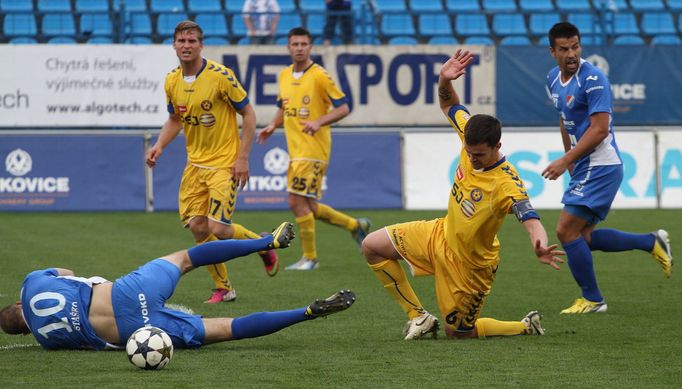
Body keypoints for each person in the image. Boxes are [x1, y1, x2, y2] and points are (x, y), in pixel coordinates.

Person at [361, 50, 565, 340]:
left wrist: (539, 244)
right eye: (469, 152)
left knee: (458, 334)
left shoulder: (507, 183)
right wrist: (444, 79)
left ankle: (525, 326)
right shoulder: (469, 130)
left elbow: (529, 217)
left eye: (479, 154)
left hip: (472, 266)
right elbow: (449, 103)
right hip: (440, 235)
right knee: (372, 246)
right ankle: (419, 317)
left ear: (497, 146)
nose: (472, 158)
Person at [0, 222, 357, 350]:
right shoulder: (32, 283)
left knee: (225, 329)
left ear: (24, 333)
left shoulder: (46, 342)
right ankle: (266, 242)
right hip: (127, 291)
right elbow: (67, 270)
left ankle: (307, 312)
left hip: (133, 331)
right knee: (189, 258)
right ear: (18, 306)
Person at [543, 22, 673, 314]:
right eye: (564, 49)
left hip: (601, 163)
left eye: (575, 46)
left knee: (566, 231)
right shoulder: (553, 79)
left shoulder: (593, 78)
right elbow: (565, 119)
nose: (571, 54)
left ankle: (593, 299)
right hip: (586, 164)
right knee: (582, 237)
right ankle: (650, 242)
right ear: (552, 52)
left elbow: (600, 129)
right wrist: (570, 158)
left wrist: (566, 161)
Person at [145, 20, 279, 304]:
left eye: (192, 41)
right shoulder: (171, 80)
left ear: (201, 45)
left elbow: (250, 114)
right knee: (198, 227)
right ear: (174, 45)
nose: (186, 46)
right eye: (181, 41)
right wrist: (159, 145)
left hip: (224, 164)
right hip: (195, 166)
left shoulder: (221, 76)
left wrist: (242, 158)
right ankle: (224, 288)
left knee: (218, 227)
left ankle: (263, 245)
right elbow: (174, 119)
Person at [257, 27, 370, 270]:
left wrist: (319, 121)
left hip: (314, 149)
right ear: (288, 47)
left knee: (295, 201)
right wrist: (272, 125)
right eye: (295, 44)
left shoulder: (319, 75)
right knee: (308, 206)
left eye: (303, 44)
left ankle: (310, 258)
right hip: (296, 150)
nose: (299, 48)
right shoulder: (284, 75)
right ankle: (355, 225)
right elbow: (283, 107)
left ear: (310, 47)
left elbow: (343, 107)